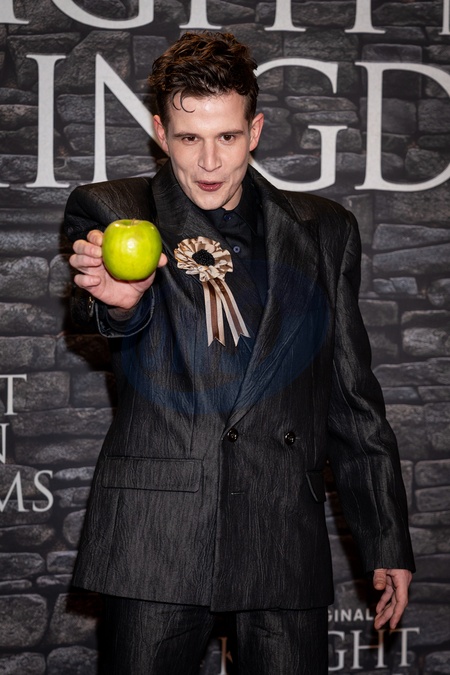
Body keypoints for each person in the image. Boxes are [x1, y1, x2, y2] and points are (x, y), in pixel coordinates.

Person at [64, 31, 414, 675]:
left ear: (254, 131)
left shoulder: (326, 230)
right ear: (160, 132)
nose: (208, 161)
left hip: (281, 530)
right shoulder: (113, 210)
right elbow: (103, 317)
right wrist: (121, 303)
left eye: (226, 136)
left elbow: (351, 395)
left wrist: (385, 537)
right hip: (157, 535)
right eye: (189, 137)